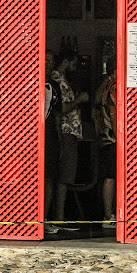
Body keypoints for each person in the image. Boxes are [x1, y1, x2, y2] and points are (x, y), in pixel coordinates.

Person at [51, 49, 89, 228]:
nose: (75, 68)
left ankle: (59, 215)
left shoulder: (62, 80)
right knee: (64, 176)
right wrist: (80, 100)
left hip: (69, 133)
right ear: (66, 61)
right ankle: (58, 217)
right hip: (66, 132)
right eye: (74, 64)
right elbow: (62, 108)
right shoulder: (58, 81)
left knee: (65, 175)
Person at [94, 56, 117, 228]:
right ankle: (109, 216)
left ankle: (108, 215)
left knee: (107, 177)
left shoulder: (102, 86)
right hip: (113, 138)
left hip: (103, 138)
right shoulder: (114, 88)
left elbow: (94, 114)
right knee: (111, 177)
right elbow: (114, 114)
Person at [44, 50, 62, 234]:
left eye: (51, 61)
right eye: (45, 59)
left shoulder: (54, 85)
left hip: (49, 137)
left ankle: (45, 217)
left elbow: (57, 115)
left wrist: (59, 139)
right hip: (28, 137)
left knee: (49, 176)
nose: (48, 63)